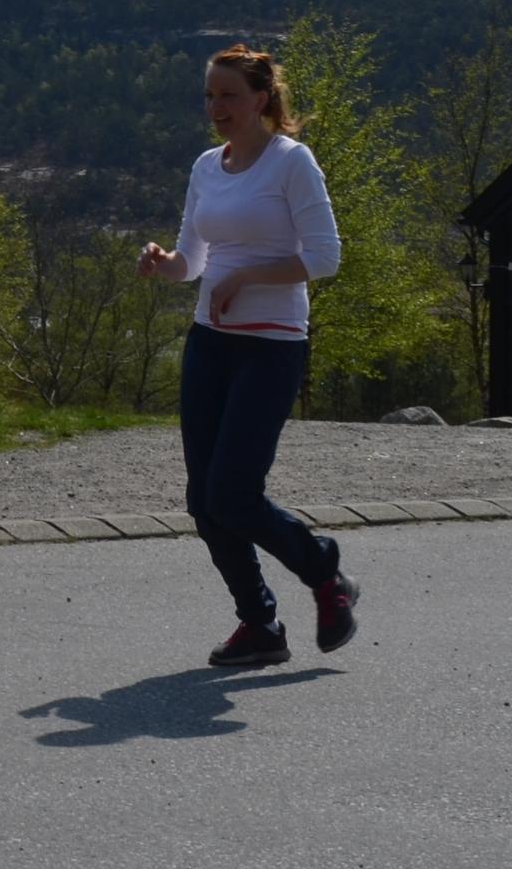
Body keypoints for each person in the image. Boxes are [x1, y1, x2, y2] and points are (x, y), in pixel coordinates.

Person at [136, 44, 361, 670]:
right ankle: (260, 625)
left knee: (234, 494)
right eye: (209, 96)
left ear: (261, 99)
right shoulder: (207, 166)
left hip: (271, 347)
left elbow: (324, 258)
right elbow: (194, 263)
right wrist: (163, 265)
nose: (216, 108)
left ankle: (323, 572)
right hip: (209, 343)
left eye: (228, 95)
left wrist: (247, 280)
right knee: (203, 501)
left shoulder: (293, 163)